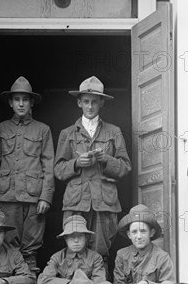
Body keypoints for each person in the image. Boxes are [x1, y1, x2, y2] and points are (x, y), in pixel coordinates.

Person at [54, 76, 131, 265]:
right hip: (76, 202)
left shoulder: (114, 132)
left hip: (104, 202)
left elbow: (125, 167)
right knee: (75, 251)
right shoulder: (67, 133)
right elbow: (58, 169)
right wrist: (76, 163)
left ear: (101, 103)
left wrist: (106, 159)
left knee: (101, 252)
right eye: (86, 102)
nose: (90, 106)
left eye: (94, 102)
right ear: (79, 102)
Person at [0, 76, 55, 272]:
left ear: (31, 102)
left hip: (34, 198)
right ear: (10, 102)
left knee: (31, 249)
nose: (21, 104)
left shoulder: (43, 130)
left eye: (25, 99)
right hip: (7, 196)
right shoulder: (1, 129)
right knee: (9, 245)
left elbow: (49, 166)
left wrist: (46, 198)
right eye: (17, 99)